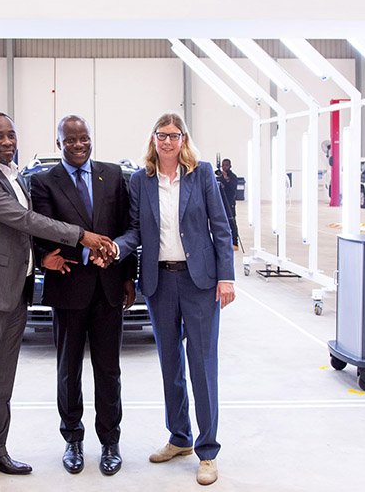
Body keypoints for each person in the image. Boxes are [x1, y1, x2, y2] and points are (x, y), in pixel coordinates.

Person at [0, 112, 116, 492]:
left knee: (2, 380)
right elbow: (24, 220)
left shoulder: (14, 175)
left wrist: (42, 258)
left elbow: (18, 236)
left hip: (14, 290)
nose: (7, 142)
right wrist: (82, 237)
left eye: (11, 134)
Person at [111, 113, 236, 486]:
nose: (166, 141)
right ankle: (179, 438)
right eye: (160, 135)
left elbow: (220, 224)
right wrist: (117, 250)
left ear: (183, 139)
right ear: (153, 139)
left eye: (173, 135)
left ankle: (208, 450)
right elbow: (135, 231)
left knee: (201, 364)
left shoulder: (202, 173)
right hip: (159, 281)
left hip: (199, 282)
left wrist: (226, 277)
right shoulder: (141, 180)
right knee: (170, 363)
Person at [29, 115, 137, 477]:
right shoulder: (44, 182)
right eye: (70, 140)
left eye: (84, 138)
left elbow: (127, 229)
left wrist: (128, 277)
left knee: (109, 370)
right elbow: (43, 229)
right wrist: (57, 252)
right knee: (68, 370)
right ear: (58, 142)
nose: (78, 145)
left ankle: (110, 441)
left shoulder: (113, 176)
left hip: (109, 288)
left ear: (91, 139)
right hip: (69, 286)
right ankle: (72, 438)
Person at [215, 158, 240, 251]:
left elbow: (233, 188)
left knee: (232, 222)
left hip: (230, 203)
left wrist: (226, 179)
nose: (224, 167)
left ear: (230, 166)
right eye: (223, 165)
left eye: (226, 165)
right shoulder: (219, 176)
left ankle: (234, 242)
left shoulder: (233, 177)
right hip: (221, 203)